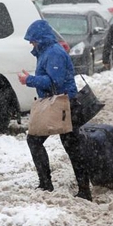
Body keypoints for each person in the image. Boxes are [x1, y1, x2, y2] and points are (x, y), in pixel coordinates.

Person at [18, 19, 92, 201]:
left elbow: (54, 82)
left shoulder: (54, 53)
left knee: (67, 147)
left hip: (65, 105)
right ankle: (52, 185)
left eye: (32, 39)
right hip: (58, 105)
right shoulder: (46, 52)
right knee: (68, 146)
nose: (30, 43)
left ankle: (75, 189)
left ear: (41, 39)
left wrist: (29, 80)